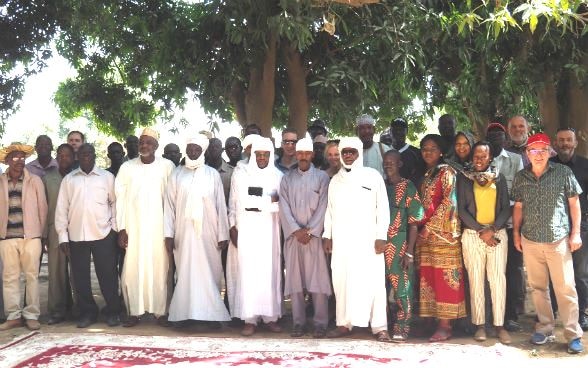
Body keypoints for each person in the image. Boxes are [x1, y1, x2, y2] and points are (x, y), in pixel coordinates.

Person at [512, 132, 584, 354]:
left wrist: (576, 233)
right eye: (534, 150)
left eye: (543, 150)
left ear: (550, 152)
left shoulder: (563, 172)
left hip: (558, 240)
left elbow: (574, 204)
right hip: (531, 240)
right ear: (527, 153)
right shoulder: (521, 177)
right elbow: (518, 207)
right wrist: (515, 233)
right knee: (538, 288)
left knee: (566, 289)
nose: (539, 154)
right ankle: (544, 328)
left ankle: (572, 334)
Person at [322, 137, 392, 342]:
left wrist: (381, 236)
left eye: (352, 152)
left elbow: (383, 208)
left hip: (369, 241)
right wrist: (328, 235)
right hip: (343, 242)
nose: (348, 155)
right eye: (345, 152)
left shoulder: (373, 176)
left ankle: (380, 326)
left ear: (359, 153)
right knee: (342, 281)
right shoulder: (335, 181)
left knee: (374, 283)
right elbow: (330, 210)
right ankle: (344, 323)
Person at [164, 134, 230, 324]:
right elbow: (169, 206)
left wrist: (222, 233)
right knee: (185, 272)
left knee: (210, 271)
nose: (193, 152)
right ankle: (184, 315)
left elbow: (220, 206)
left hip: (208, 232)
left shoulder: (212, 174)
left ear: (203, 151)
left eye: (197, 149)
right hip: (183, 232)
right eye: (190, 149)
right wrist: (168, 234)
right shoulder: (176, 174)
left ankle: (212, 316)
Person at [55, 144, 121, 328]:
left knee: (108, 275)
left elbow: (115, 204)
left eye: (89, 153)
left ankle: (113, 311)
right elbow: (62, 209)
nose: (85, 156)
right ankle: (87, 312)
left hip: (103, 234)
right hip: (76, 236)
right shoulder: (69, 180)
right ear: (78, 157)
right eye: (82, 154)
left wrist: (115, 229)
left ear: (94, 156)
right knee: (80, 277)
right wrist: (62, 236)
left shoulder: (107, 178)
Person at [115, 128, 175, 327]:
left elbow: (171, 201)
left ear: (156, 146)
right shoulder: (127, 168)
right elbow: (120, 200)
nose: (144, 145)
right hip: (134, 228)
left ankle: (161, 312)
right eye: (141, 142)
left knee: (160, 269)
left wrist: (169, 231)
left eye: (149, 142)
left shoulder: (167, 166)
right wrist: (122, 228)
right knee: (132, 268)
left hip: (159, 228)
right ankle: (134, 311)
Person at [457, 141, 512, 344]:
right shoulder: (464, 179)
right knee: (476, 280)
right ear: (472, 158)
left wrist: (492, 229)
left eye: (483, 156)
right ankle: (480, 325)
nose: (479, 160)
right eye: (476, 156)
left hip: (496, 234)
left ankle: (499, 326)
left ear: (490, 158)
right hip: (473, 235)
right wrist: (481, 231)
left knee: (498, 280)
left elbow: (506, 208)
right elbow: (461, 209)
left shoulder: (500, 178)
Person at [228, 137, 283, 336]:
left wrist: (261, 204)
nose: (261, 158)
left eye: (265, 155)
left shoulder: (278, 176)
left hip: (269, 231)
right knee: (249, 273)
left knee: (269, 272)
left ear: (270, 156)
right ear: (252, 155)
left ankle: (270, 318)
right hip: (247, 229)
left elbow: (280, 204)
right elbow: (235, 202)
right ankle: (249, 319)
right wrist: (232, 225)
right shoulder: (240, 173)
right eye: (258, 154)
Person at [279, 138, 331, 338]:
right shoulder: (287, 178)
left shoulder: (322, 177)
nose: (302, 156)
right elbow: (283, 207)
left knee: (318, 281)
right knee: (295, 280)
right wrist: (295, 230)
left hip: (314, 238)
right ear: (295, 154)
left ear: (312, 155)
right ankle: (298, 323)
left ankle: (320, 323)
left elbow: (324, 205)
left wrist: (310, 231)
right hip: (294, 238)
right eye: (299, 152)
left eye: (306, 153)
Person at [416, 134, 466, 342]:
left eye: (433, 148)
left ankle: (445, 326)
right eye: (425, 148)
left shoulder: (446, 172)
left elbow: (449, 201)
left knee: (446, 279)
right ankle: (433, 321)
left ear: (442, 152)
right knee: (430, 278)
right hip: (427, 237)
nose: (428, 152)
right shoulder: (428, 174)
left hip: (444, 236)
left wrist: (430, 227)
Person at [0, 142, 47, 331]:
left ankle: (32, 315)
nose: (20, 161)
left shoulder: (34, 180)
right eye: (15, 157)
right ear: (8, 160)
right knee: (10, 277)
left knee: (31, 276)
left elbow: (42, 208)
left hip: (31, 237)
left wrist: (40, 235)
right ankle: (13, 316)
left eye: (22, 157)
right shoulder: (1, 180)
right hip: (6, 237)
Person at [485, 122, 525, 332]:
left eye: (498, 134)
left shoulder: (515, 160)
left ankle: (510, 315)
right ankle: (490, 316)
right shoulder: (481, 159)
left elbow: (519, 196)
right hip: (485, 228)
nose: (495, 138)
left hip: (509, 226)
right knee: (489, 273)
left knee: (510, 271)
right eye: (491, 135)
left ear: (505, 138)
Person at [382, 150, 424, 342]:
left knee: (402, 287)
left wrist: (409, 252)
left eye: (392, 162)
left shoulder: (408, 187)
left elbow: (414, 222)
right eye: (385, 162)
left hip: (399, 243)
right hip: (378, 243)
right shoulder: (380, 186)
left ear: (399, 164)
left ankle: (403, 325)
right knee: (378, 287)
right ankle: (382, 324)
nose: (388, 165)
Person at [551, 127, 588, 331]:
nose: (564, 143)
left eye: (568, 140)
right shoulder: (549, 166)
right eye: (561, 140)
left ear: (575, 143)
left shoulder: (585, 165)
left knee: (580, 274)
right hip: (553, 228)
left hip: (580, 227)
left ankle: (581, 315)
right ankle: (553, 313)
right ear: (555, 144)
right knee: (554, 274)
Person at [43, 143, 76, 325]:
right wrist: (44, 234)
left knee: (77, 272)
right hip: (55, 230)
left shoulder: (78, 176)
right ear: (57, 157)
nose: (64, 159)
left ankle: (79, 308)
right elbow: (43, 207)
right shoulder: (47, 178)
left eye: (68, 156)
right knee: (56, 271)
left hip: (77, 230)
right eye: (61, 155)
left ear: (73, 158)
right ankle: (57, 310)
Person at [390, 118, 423, 184]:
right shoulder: (384, 150)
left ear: (407, 131)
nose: (398, 132)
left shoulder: (416, 153)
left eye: (401, 130)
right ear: (390, 131)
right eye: (395, 129)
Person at [205, 138, 233, 203]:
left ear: (222, 150)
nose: (214, 149)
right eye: (211, 147)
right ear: (207, 150)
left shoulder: (231, 172)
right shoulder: (201, 172)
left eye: (217, 147)